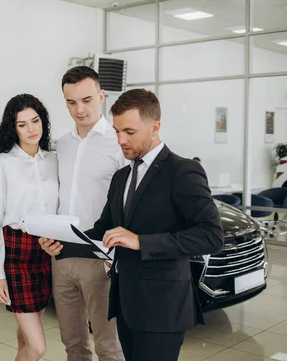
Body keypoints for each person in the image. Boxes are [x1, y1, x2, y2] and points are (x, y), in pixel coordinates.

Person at [86, 89, 224, 361]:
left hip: (163, 307)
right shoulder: (121, 177)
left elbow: (211, 236)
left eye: (129, 132)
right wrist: (64, 241)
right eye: (116, 131)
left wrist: (140, 241)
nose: (120, 140)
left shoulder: (182, 171)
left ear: (155, 127)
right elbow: (105, 228)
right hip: (125, 302)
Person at [39, 66, 125, 361]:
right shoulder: (61, 144)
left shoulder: (118, 144)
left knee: (108, 346)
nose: (79, 109)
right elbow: (54, 198)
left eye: (87, 100)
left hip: (101, 255)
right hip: (61, 254)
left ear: (102, 96)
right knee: (73, 342)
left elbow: (128, 203)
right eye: (71, 102)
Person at [0, 93, 58, 361]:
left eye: (36, 121)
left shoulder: (52, 160)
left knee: (24, 337)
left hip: (45, 253)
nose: (31, 129)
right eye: (22, 124)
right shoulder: (3, 163)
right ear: (12, 128)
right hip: (16, 254)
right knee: (38, 347)